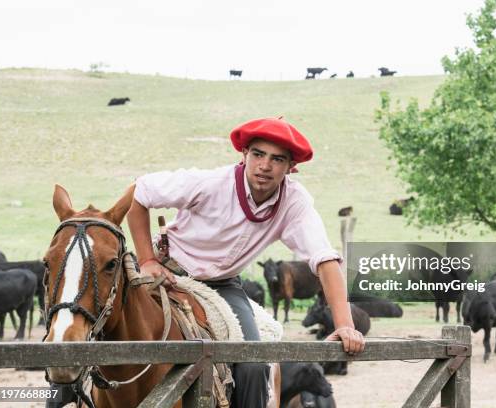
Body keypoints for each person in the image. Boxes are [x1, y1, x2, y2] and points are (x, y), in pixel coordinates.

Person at [127, 117, 365, 408]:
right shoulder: (210, 183)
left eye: (277, 159)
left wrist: (345, 325)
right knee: (98, 325)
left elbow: (325, 259)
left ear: (291, 167)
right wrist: (147, 259)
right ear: (244, 155)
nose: (265, 166)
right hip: (168, 273)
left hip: (222, 286)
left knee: (253, 363)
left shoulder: (294, 202)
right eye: (258, 154)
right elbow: (139, 192)